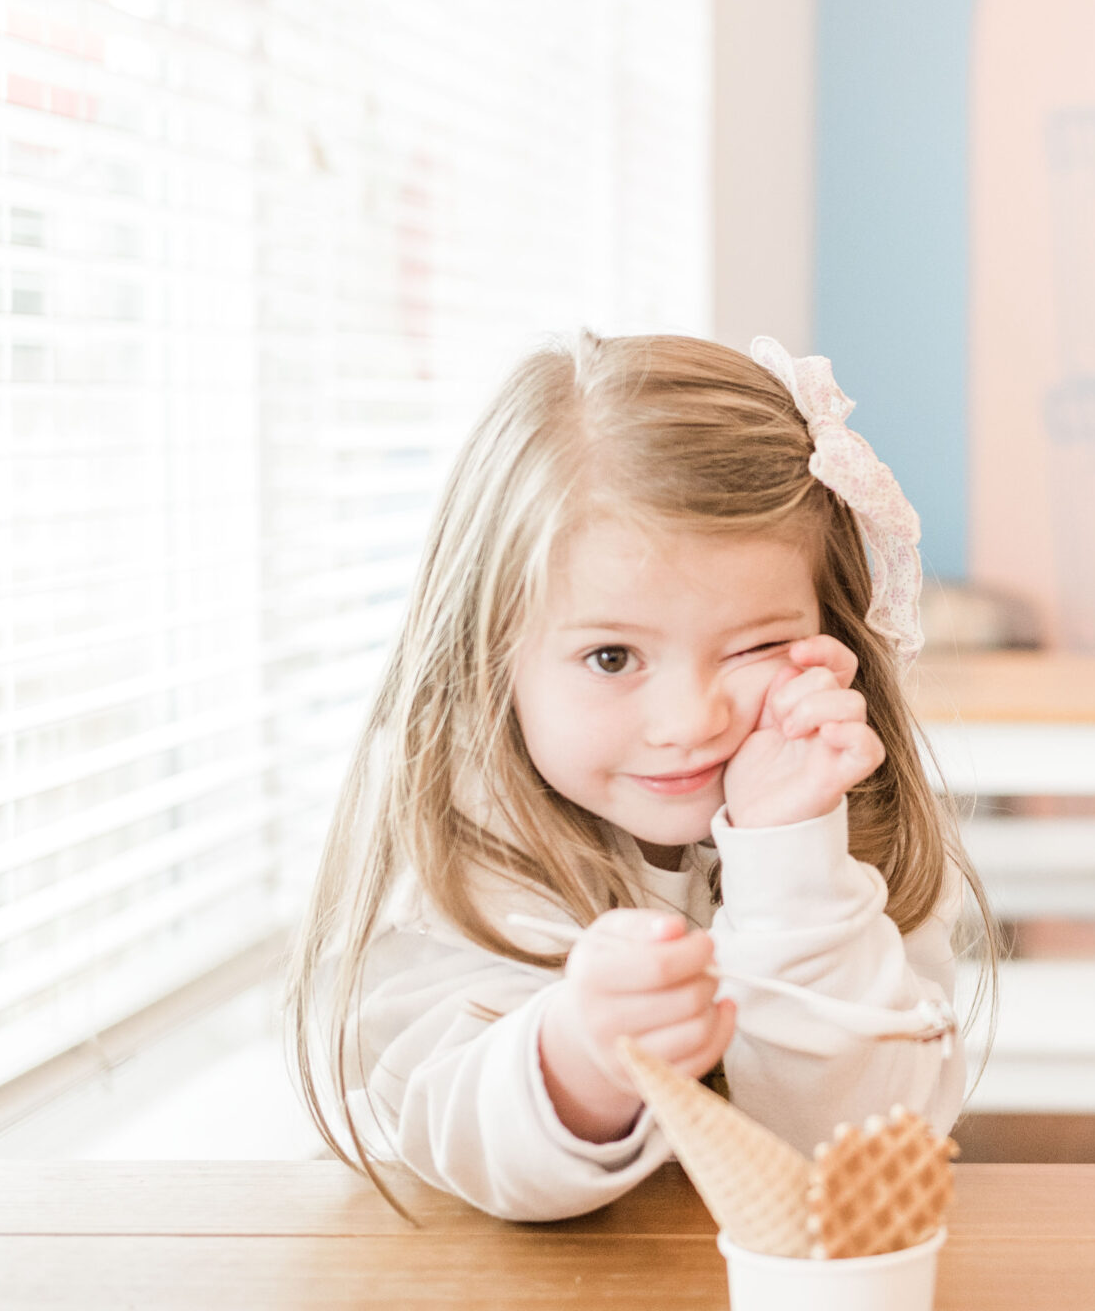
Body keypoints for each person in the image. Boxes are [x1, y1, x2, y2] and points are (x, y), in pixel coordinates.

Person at [288, 333, 981, 1220]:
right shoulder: (449, 853)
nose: (691, 721)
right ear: (493, 652)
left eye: (760, 645)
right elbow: (446, 1117)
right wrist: (576, 1059)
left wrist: (790, 858)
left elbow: (855, 1149)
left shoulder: (846, 813)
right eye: (612, 656)